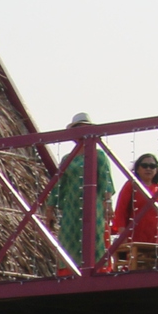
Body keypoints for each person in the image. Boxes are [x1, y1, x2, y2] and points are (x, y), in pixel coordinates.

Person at [48, 113, 118, 269]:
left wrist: (107, 203)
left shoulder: (98, 155)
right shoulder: (68, 158)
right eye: (79, 129)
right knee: (68, 239)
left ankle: (97, 271)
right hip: (71, 207)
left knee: (94, 238)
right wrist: (50, 208)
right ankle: (68, 272)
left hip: (93, 206)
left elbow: (106, 181)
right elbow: (59, 185)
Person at [110, 152, 158, 250]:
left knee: (155, 263)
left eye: (152, 166)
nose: (148, 169)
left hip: (155, 236)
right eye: (144, 165)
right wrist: (123, 235)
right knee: (135, 263)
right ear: (138, 169)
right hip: (134, 235)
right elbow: (121, 210)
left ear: (156, 170)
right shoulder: (131, 185)